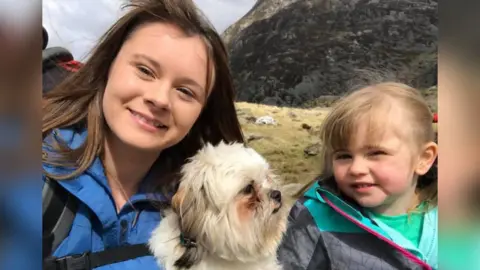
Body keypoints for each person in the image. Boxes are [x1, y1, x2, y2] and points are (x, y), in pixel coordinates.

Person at [42, 0, 244, 269]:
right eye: (145, 70)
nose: (160, 99)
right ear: (108, 66)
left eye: (186, 91)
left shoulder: (201, 216)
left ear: (201, 112)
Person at [277, 82, 438, 270]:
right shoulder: (314, 219)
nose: (356, 168)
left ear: (423, 159)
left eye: (376, 153)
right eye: (344, 156)